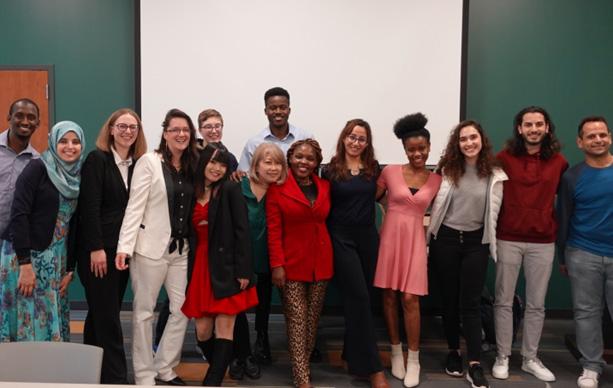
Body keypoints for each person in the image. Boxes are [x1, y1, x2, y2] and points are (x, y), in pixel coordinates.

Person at [115, 108, 199, 386]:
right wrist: (124, 247)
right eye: (175, 129)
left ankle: (165, 365)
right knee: (144, 312)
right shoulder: (149, 162)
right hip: (149, 249)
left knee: (182, 308)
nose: (181, 134)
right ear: (165, 133)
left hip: (179, 249)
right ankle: (144, 374)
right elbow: (134, 207)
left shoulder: (191, 164)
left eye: (186, 130)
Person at [427, 120, 507, 388]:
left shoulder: (494, 173)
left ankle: (474, 363)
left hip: (477, 243)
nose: (469, 143)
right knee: (448, 301)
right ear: (457, 144)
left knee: (470, 303)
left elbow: (496, 213)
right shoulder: (447, 169)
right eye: (463, 139)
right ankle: (454, 352)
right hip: (446, 241)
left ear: (481, 140)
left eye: (473, 138)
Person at [492, 106, 568, 382]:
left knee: (537, 304)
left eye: (539, 124)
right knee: (503, 301)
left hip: (543, 242)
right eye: (528, 124)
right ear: (519, 129)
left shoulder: (559, 162)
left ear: (547, 128)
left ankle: (530, 358)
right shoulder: (503, 158)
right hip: (508, 238)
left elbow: (564, 204)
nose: (533, 129)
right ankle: (503, 356)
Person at [77, 108, 147, 384]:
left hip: (122, 251)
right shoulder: (97, 160)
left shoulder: (140, 163)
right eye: (122, 126)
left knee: (101, 313)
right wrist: (96, 248)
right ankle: (117, 378)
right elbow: (89, 208)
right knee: (108, 318)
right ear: (111, 129)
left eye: (133, 127)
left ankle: (91, 369)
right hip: (99, 252)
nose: (128, 131)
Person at [0, 120, 85, 342]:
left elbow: (73, 224)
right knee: (25, 317)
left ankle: (46, 373)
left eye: (75, 141)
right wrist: (25, 264)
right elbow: (19, 215)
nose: (70, 146)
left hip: (56, 259)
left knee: (47, 317)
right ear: (53, 142)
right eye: (63, 141)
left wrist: (69, 268)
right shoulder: (37, 167)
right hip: (26, 257)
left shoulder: (77, 176)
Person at [374, 113, 441, 388]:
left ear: (428, 146)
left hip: (415, 242)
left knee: (411, 299)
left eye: (422, 148)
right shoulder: (389, 172)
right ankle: (396, 350)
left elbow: (437, 211)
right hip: (390, 239)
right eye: (411, 149)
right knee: (389, 296)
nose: (417, 153)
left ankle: (414, 359)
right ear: (404, 149)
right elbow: (373, 198)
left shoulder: (437, 180)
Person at [182, 144, 258, 386]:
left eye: (222, 164)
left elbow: (242, 231)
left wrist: (244, 270)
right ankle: (220, 364)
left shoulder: (230, 189)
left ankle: (212, 382)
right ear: (203, 162)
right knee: (203, 332)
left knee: (225, 329)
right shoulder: (192, 191)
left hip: (227, 267)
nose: (216, 168)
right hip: (200, 268)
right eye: (213, 162)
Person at [322, 119, 388, 388]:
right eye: (351, 136)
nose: (355, 142)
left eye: (361, 138)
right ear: (344, 138)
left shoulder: (374, 170)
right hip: (340, 237)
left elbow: (380, 198)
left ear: (367, 143)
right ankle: (373, 369)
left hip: (367, 238)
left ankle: (350, 355)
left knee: (363, 298)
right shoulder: (330, 170)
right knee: (358, 297)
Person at [266, 139, 333, 388]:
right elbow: (273, 231)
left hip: (322, 262)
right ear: (290, 159)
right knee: (296, 319)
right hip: (290, 264)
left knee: (312, 319)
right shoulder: (277, 189)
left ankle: (301, 363)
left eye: (310, 158)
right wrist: (277, 265)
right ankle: (302, 378)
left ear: (317, 163)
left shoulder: (325, 187)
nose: (304, 162)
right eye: (299, 157)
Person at [557, 116, 613, 388]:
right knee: (587, 312)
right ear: (581, 142)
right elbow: (564, 217)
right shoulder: (571, 176)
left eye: (602, 134)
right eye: (591, 136)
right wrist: (563, 256)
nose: (598, 139)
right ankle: (591, 366)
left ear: (610, 137)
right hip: (582, 253)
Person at [230, 143, 287, 380]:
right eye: (267, 162)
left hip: (267, 258)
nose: (272, 168)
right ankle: (238, 353)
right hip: (241, 259)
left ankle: (261, 342)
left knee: (263, 303)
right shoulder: (237, 186)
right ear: (256, 165)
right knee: (237, 308)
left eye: (277, 163)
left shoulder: (282, 191)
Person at [237, 87, 312, 172]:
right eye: (273, 108)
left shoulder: (305, 138)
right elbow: (244, 175)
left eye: (283, 107)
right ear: (265, 111)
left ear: (289, 110)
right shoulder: (254, 144)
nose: (278, 112)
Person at [1, 98, 40, 237]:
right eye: (19, 115)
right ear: (9, 118)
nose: (25, 122)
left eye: (31, 118)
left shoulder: (37, 162)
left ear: (38, 123)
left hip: (13, 243)